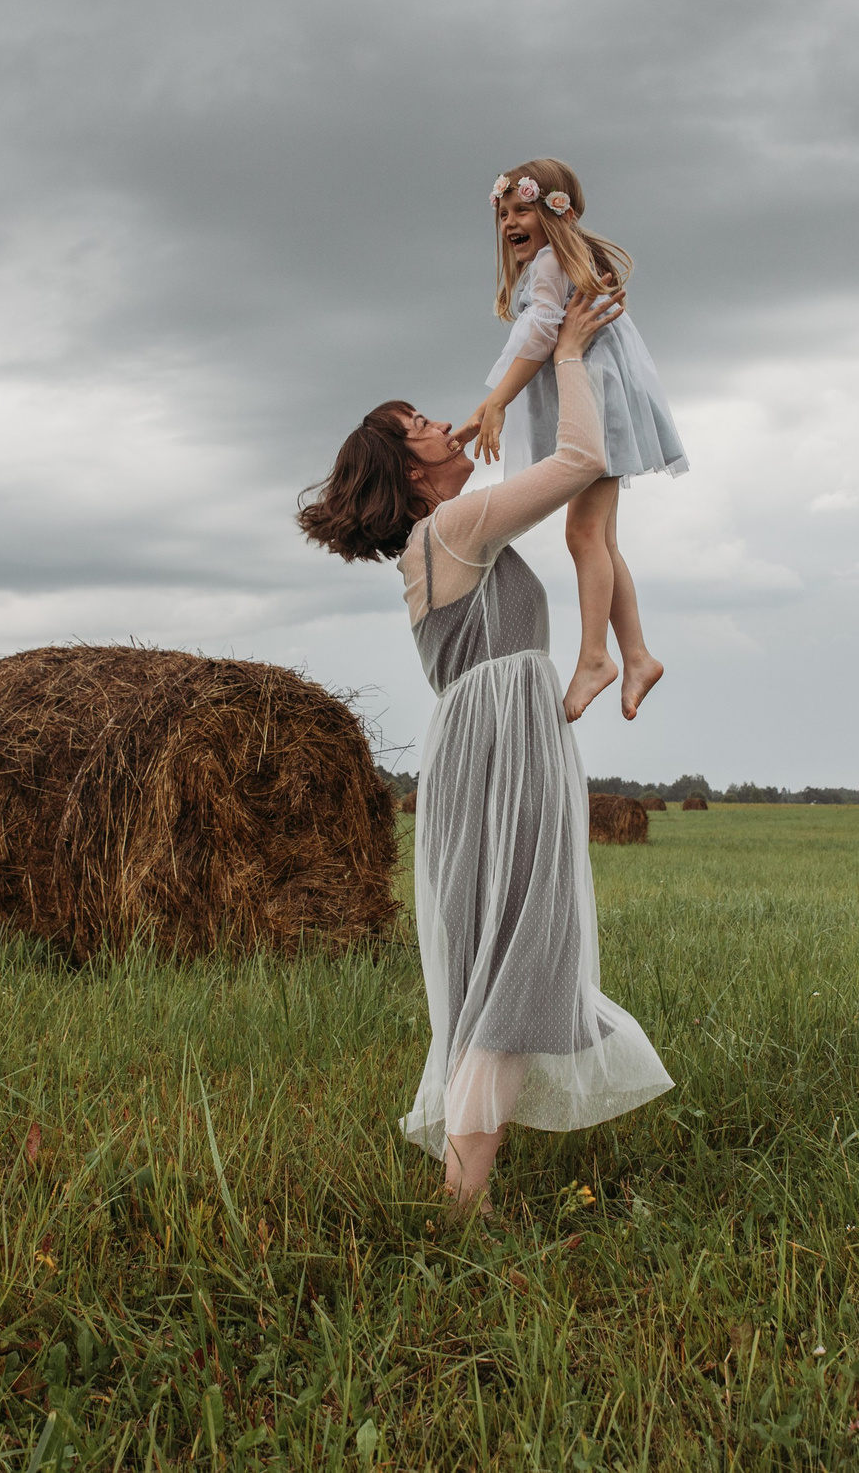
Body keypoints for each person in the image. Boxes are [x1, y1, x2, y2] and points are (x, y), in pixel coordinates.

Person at [297, 281, 673, 1211]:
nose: (446, 425)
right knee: (522, 955)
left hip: (488, 737)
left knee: (508, 956)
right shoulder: (453, 528)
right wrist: (575, 350)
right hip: (504, 740)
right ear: (409, 468)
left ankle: (465, 1192)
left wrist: (527, 381)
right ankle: (463, 1207)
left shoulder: (438, 540)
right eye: (424, 422)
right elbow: (583, 457)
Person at [466, 159, 687, 723]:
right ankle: (635, 655)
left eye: (523, 209)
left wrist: (500, 402)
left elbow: (541, 334)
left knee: (584, 533)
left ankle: (596, 657)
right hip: (603, 401)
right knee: (602, 540)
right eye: (504, 212)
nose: (511, 221)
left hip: (595, 406)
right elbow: (525, 346)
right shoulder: (561, 262)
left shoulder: (550, 262)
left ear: (555, 212)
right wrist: (485, 409)